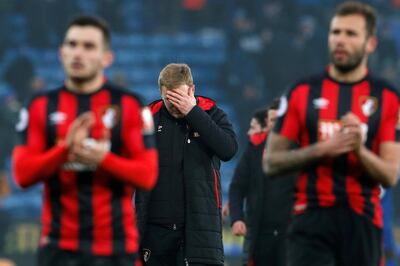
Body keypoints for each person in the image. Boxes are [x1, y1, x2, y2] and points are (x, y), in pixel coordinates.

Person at [12, 15, 158, 266]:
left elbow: (147, 176)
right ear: (61, 52)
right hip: (58, 248)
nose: (78, 53)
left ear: (106, 58)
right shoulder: (40, 106)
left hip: (116, 249)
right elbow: (23, 175)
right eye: (72, 44)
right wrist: (65, 149)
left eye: (88, 46)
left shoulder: (130, 106)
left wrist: (101, 158)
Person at [262, 2, 400, 266]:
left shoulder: (387, 98)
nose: (340, 40)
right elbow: (271, 162)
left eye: (351, 34)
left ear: (370, 43)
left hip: (363, 221)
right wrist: (322, 149)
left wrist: (359, 150)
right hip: (310, 220)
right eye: (335, 32)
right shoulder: (301, 92)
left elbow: (389, 174)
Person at [135, 63, 238, 266]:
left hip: (200, 232)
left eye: (180, 98)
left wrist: (193, 112)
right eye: (169, 99)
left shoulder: (212, 114)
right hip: (156, 233)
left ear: (192, 90)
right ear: (161, 93)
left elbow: (228, 150)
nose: (175, 105)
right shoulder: (149, 119)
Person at [229, 100, 294, 266]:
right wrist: (237, 218)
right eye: (271, 120)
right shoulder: (255, 148)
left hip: (292, 232)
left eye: (279, 120)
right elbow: (237, 186)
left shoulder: (302, 150)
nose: (275, 125)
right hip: (260, 232)